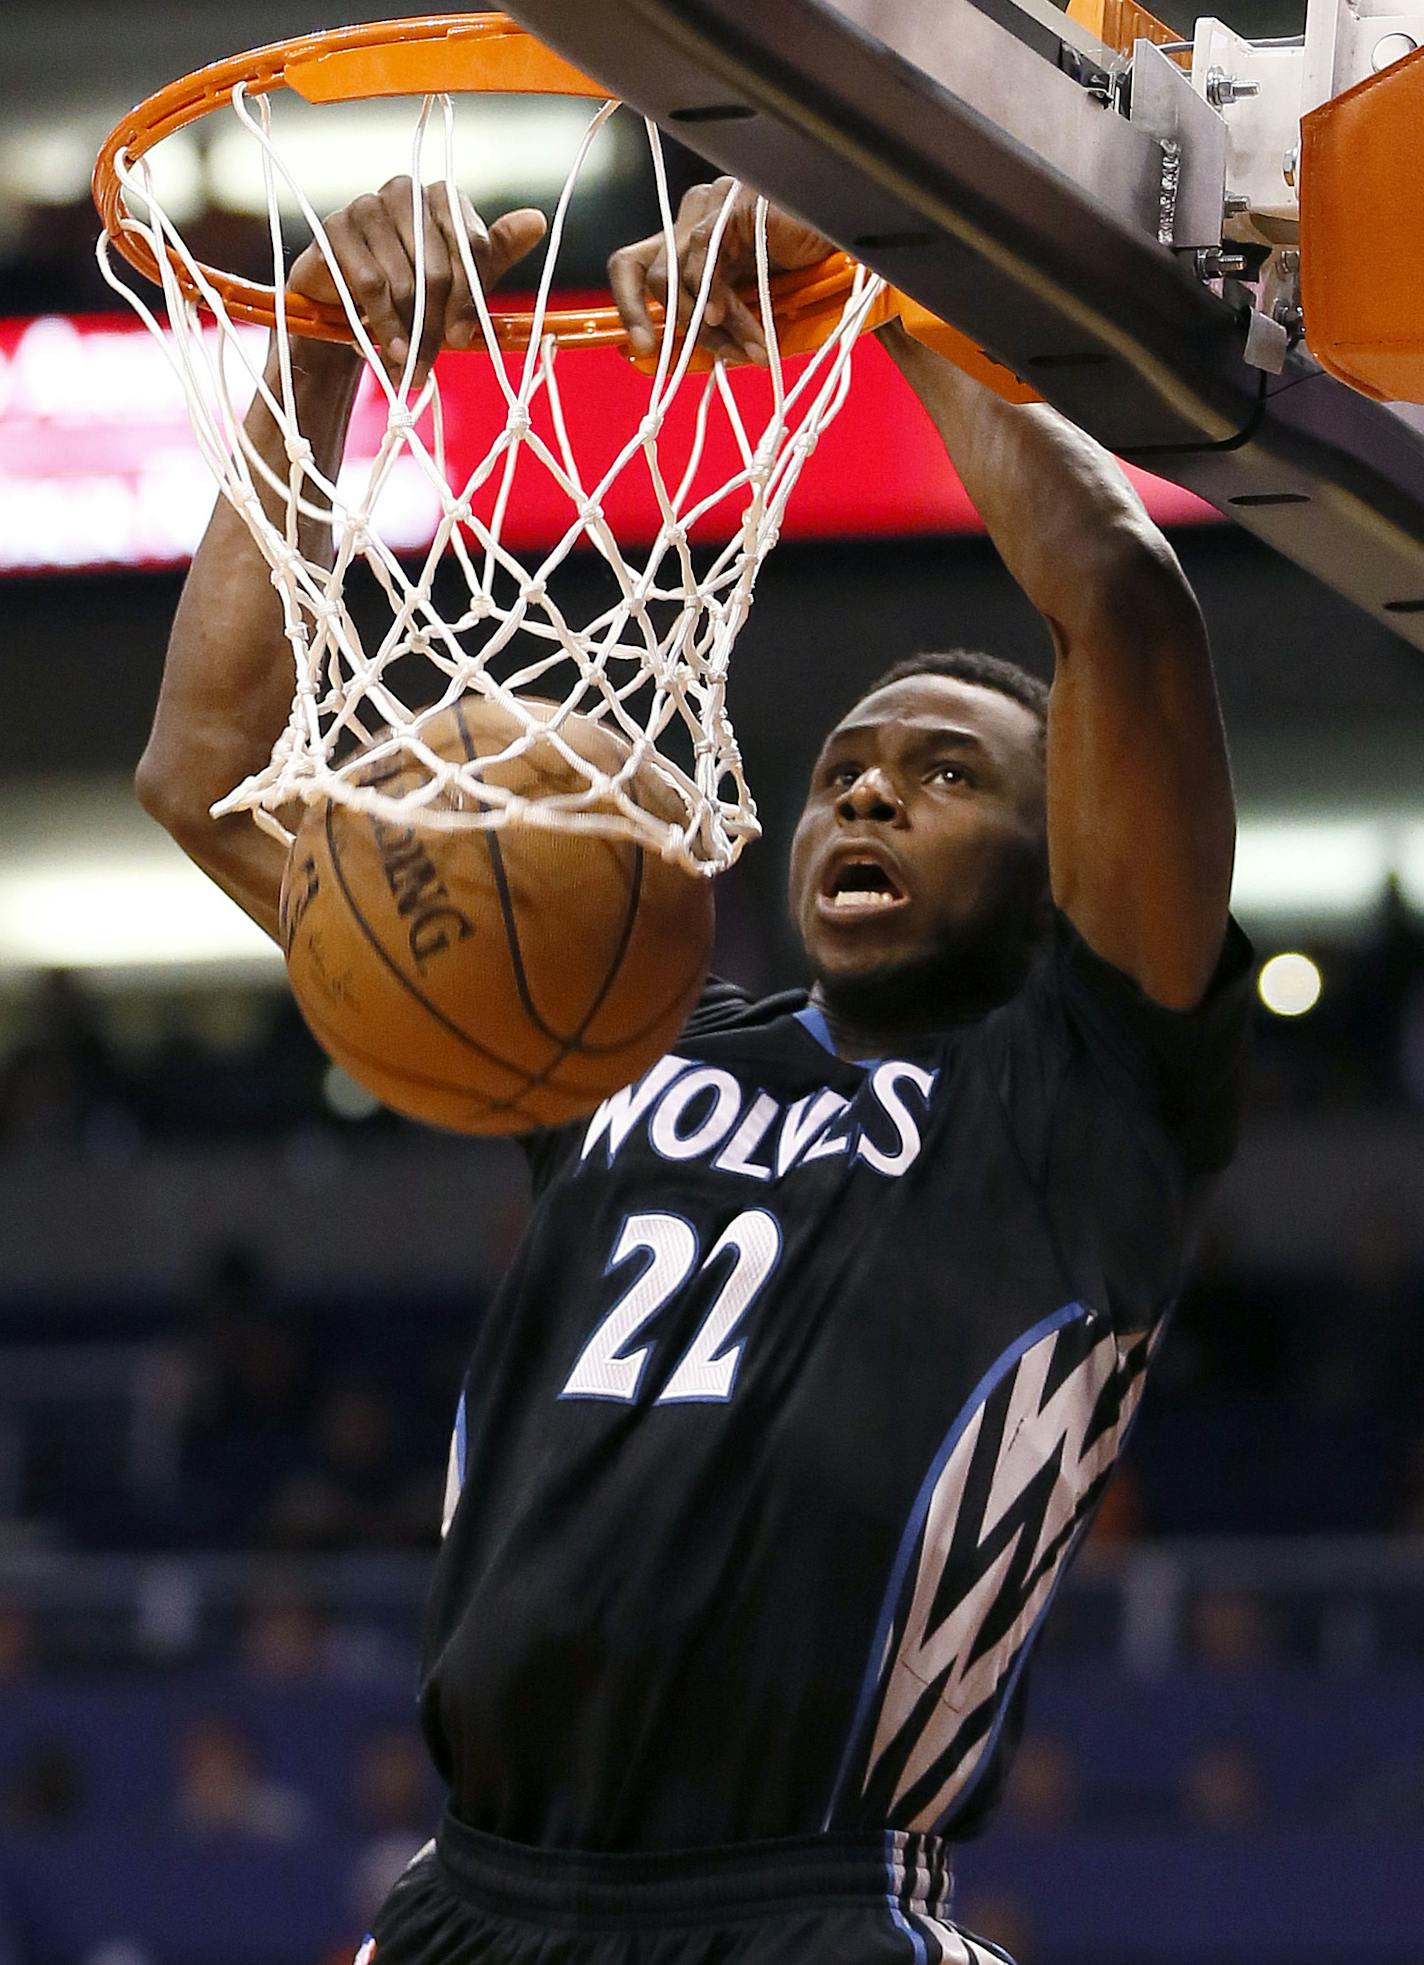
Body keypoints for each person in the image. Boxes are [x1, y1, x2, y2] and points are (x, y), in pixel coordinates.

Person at [137, 174, 1251, 1964]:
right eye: (847, 768)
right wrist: (321, 357)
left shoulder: (1091, 1103)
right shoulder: (600, 1036)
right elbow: (208, 771)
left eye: (953, 773)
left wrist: (890, 247)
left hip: (805, 1910)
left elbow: (1119, 603)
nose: (871, 787)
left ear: (1073, 869)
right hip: (470, 1901)